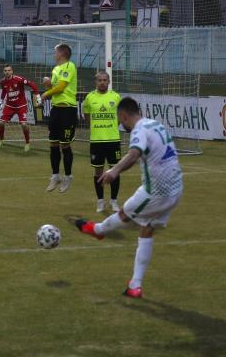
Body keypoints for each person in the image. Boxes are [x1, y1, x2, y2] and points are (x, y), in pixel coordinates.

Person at [74, 97, 183, 299]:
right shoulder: (155, 124)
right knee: (146, 228)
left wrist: (114, 171)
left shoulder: (139, 129)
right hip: (176, 189)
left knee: (124, 214)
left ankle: (97, 230)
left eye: (119, 119)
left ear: (124, 115)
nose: (120, 123)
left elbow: (134, 154)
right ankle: (135, 286)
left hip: (156, 191)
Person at [39, 43, 78, 193]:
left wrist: (45, 94)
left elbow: (61, 87)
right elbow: (55, 88)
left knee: (65, 145)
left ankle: (68, 176)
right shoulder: (55, 69)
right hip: (56, 110)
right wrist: (49, 85)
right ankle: (55, 175)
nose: (54, 54)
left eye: (55, 52)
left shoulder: (69, 66)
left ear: (61, 53)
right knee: (53, 143)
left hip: (68, 110)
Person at [81, 71, 122, 213]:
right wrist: (93, 127)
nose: (102, 82)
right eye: (100, 80)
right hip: (97, 141)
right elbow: (86, 114)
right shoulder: (90, 97)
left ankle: (114, 201)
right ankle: (100, 201)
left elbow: (121, 115)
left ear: (109, 82)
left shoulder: (116, 97)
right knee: (98, 171)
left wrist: (112, 126)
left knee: (115, 170)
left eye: (105, 80)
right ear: (96, 82)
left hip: (113, 140)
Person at [0, 64, 40, 152]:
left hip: (21, 106)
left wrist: (37, 96)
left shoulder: (19, 79)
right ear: (3, 72)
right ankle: (1, 140)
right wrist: (1, 100)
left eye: (9, 70)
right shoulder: (2, 81)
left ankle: (27, 143)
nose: (7, 72)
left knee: (24, 124)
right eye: (5, 71)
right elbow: (4, 91)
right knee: (0, 123)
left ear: (12, 71)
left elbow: (33, 85)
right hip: (9, 106)